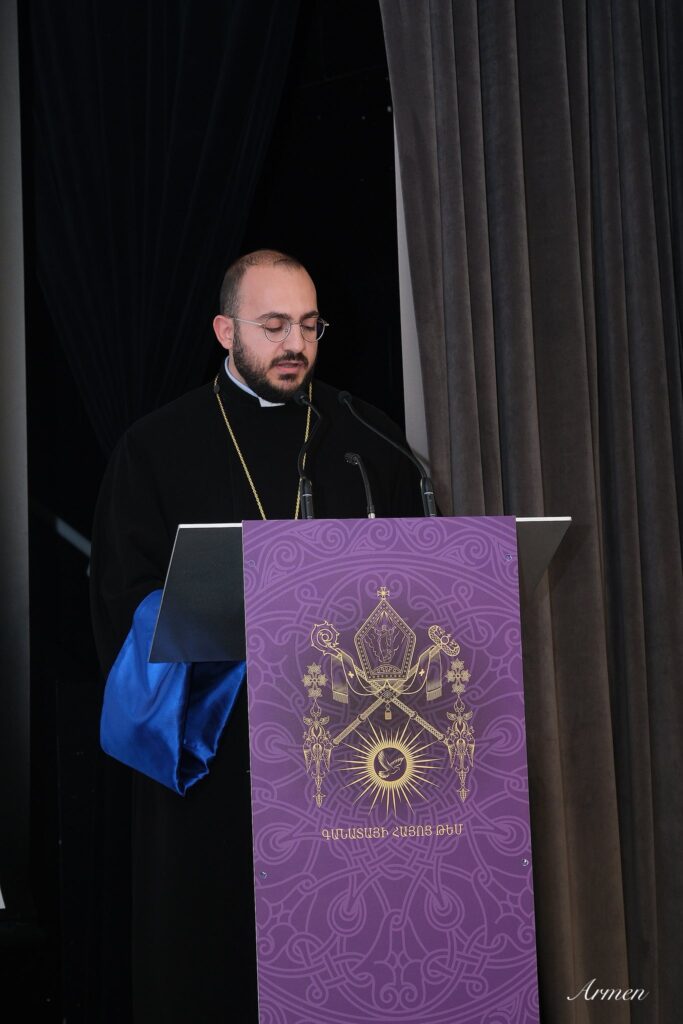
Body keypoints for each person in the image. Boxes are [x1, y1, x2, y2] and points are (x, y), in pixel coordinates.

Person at [89, 249, 423, 1023]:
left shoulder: (364, 435)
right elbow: (121, 599)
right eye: (273, 326)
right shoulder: (156, 446)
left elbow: (416, 582)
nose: (295, 344)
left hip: (352, 752)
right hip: (222, 749)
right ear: (224, 331)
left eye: (309, 325)